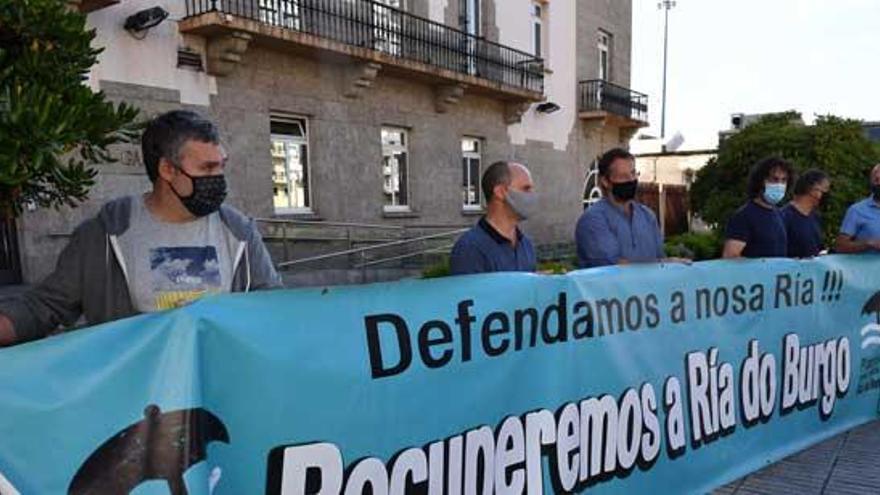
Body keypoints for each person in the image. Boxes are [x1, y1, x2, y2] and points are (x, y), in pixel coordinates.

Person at [0, 110, 282, 346]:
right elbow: (43, 307)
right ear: (167, 170)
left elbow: (274, 311)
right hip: (137, 403)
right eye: (207, 169)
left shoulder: (239, 233)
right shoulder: (105, 235)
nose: (219, 179)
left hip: (218, 400)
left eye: (221, 167)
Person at [575, 148, 674, 268]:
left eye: (633, 173)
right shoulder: (593, 220)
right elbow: (613, 267)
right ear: (605, 181)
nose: (631, 180)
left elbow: (660, 259)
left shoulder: (647, 216)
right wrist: (663, 263)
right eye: (623, 176)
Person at [450, 161, 537, 275]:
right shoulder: (471, 249)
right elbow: (470, 292)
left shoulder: (526, 245)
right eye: (526, 188)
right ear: (500, 192)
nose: (532, 195)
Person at [723, 157, 793, 259]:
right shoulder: (744, 216)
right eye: (774, 179)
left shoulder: (779, 214)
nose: (779, 185)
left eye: (784, 180)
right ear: (761, 182)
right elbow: (730, 257)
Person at [781, 169, 830, 258]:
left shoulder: (815, 217)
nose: (824, 195)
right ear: (812, 189)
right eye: (824, 190)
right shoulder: (785, 216)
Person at [835, 163, 880, 254]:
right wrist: (869, 243)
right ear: (871, 182)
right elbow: (841, 246)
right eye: (876, 180)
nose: (879, 183)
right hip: (866, 267)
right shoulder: (857, 210)